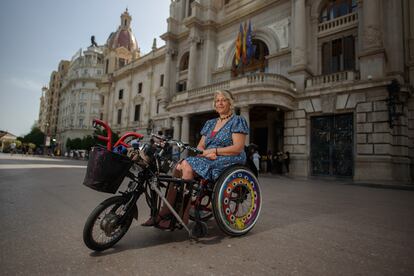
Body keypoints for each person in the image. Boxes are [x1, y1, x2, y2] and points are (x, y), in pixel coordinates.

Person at [142, 89, 249, 229]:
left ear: (230, 103)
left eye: (223, 100)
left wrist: (215, 151)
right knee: (179, 165)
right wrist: (205, 153)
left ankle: (181, 217)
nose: (220, 103)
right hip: (210, 156)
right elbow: (200, 146)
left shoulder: (237, 120)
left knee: (186, 165)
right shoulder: (210, 123)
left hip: (230, 157)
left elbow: (238, 147)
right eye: (217, 100)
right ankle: (164, 213)